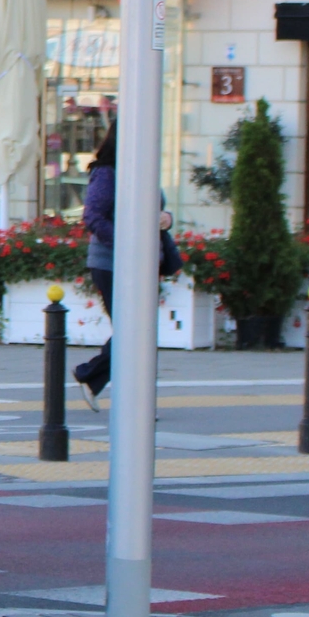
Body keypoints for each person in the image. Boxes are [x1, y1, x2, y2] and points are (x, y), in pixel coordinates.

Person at [73, 124, 183, 408]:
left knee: (137, 331)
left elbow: (155, 211)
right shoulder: (108, 172)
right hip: (113, 263)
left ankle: (97, 380)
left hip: (143, 263)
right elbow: (93, 217)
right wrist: (129, 242)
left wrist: (166, 218)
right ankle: (114, 391)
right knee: (133, 330)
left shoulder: (143, 169)